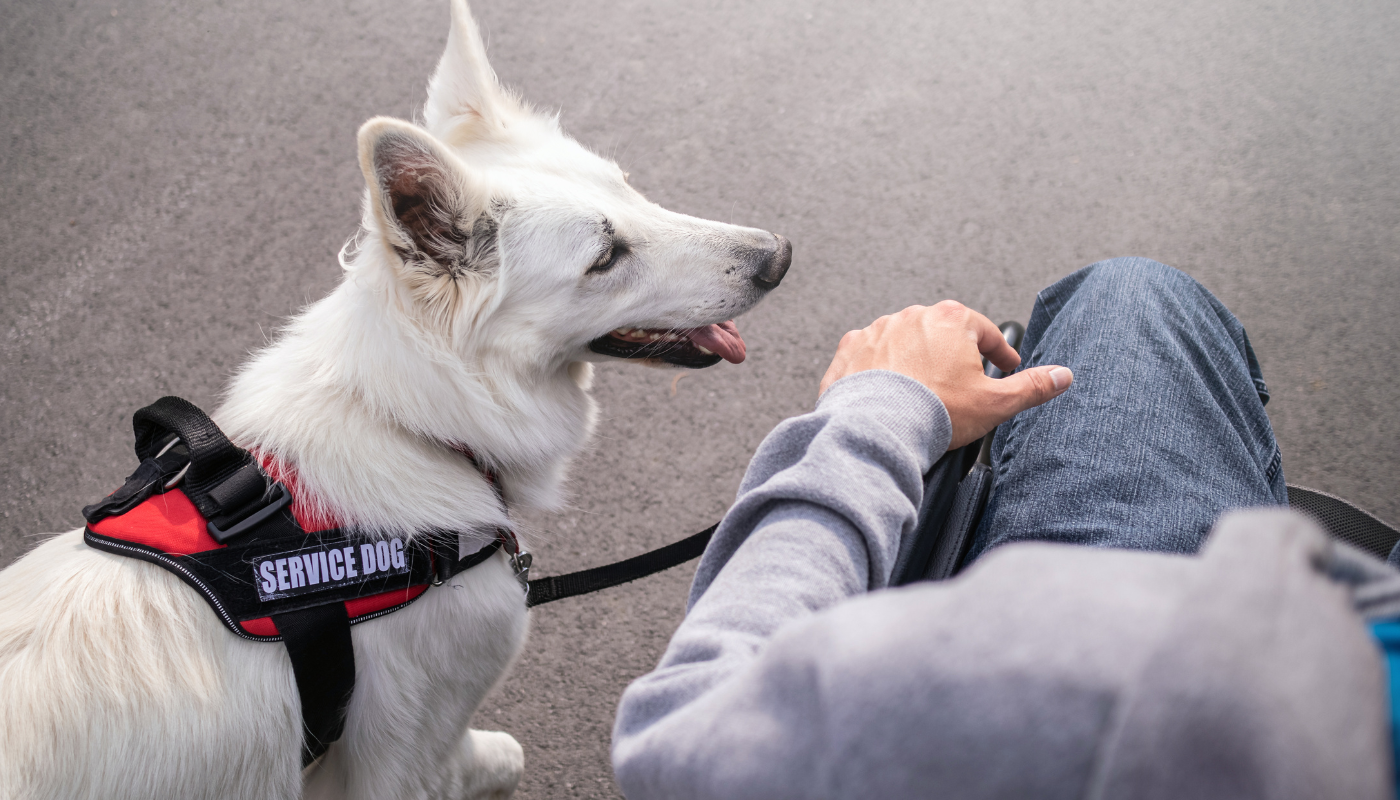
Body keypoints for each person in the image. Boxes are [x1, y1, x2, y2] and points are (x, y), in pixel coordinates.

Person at [610, 257, 1400, 800]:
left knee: (1133, 297)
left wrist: (879, 410)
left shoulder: (1119, 688)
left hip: (1231, 677)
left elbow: (680, 733)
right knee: (1133, 297)